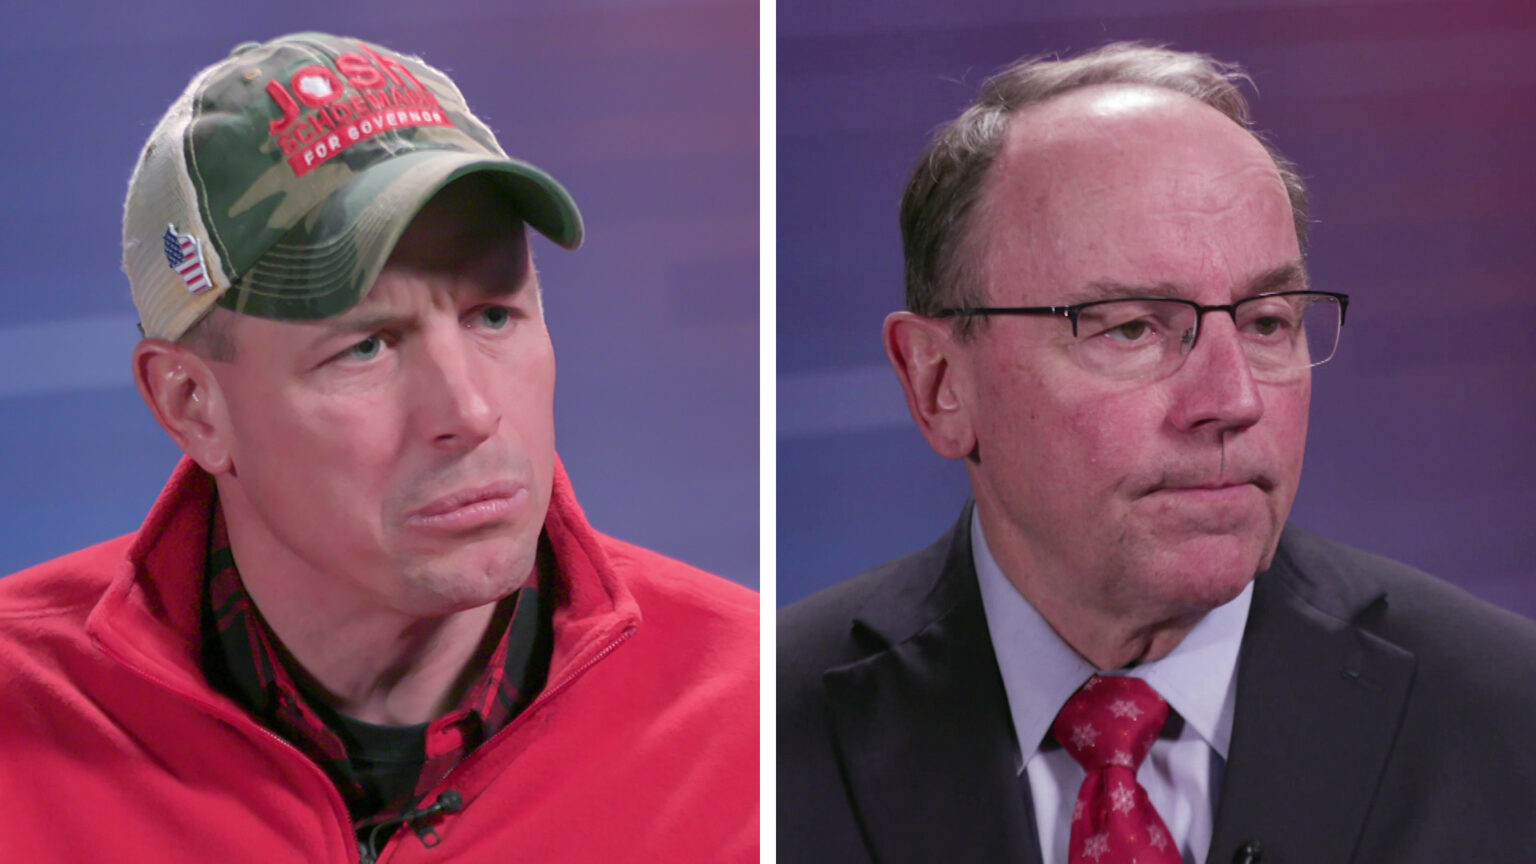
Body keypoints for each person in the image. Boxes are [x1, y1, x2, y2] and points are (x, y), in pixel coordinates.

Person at [0, 33, 757, 863]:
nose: (469, 411)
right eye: (367, 346)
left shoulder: (758, 714)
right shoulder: (21, 717)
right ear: (192, 405)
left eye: (494, 315)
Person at [778, 42, 1536, 864]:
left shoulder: (1507, 720)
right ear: (938, 384)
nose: (1232, 401)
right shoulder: (762, 737)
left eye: (1267, 321)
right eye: (1131, 327)